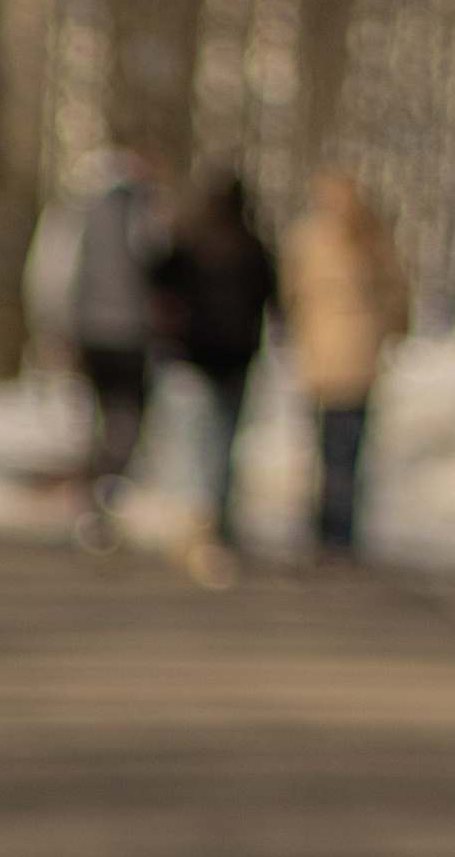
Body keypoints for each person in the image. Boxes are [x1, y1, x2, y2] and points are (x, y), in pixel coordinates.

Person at [145, 167, 279, 580]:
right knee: (218, 446)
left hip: (193, 357)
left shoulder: (188, 245)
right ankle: (210, 524)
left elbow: (156, 284)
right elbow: (272, 301)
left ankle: (194, 526)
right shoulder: (251, 248)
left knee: (193, 445)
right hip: (232, 359)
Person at [279, 169, 408, 559]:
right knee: (347, 448)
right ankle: (339, 529)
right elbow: (397, 295)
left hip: (323, 354)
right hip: (357, 354)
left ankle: (326, 526)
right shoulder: (371, 237)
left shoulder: (310, 238)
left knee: (326, 445)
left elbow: (291, 293)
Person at [56, 148, 163, 533]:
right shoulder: (143, 212)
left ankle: (100, 489)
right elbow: (155, 261)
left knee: (100, 414)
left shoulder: (81, 213)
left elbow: (57, 271)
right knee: (126, 416)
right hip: (129, 332)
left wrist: (61, 323)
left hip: (91, 329)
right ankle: (107, 487)